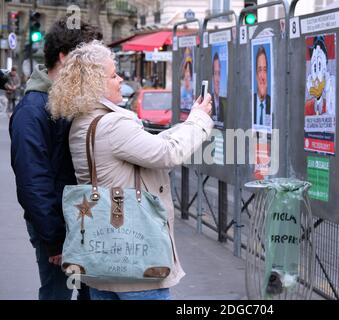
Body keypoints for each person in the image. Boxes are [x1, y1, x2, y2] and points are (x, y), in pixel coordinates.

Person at [48, 40, 214, 300]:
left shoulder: (84, 122)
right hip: (136, 263)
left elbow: (150, 145)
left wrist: (187, 123)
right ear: (95, 83)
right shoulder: (113, 125)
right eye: (113, 75)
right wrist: (200, 120)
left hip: (104, 262)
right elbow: (167, 153)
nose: (120, 80)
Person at [9, 18, 103, 300]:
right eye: (86, 60)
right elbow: (32, 182)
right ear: (64, 58)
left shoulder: (75, 101)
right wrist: (54, 239)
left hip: (85, 219)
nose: (92, 69)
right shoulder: (33, 110)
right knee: (56, 294)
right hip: (57, 225)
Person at [253, 46, 271, 126]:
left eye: (265, 70)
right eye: (260, 70)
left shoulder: (273, 104)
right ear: (256, 75)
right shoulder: (250, 103)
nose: (263, 76)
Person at [211, 53, 226, 125]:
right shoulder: (209, 103)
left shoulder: (222, 105)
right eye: (215, 73)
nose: (218, 80)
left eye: (219, 73)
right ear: (212, 77)